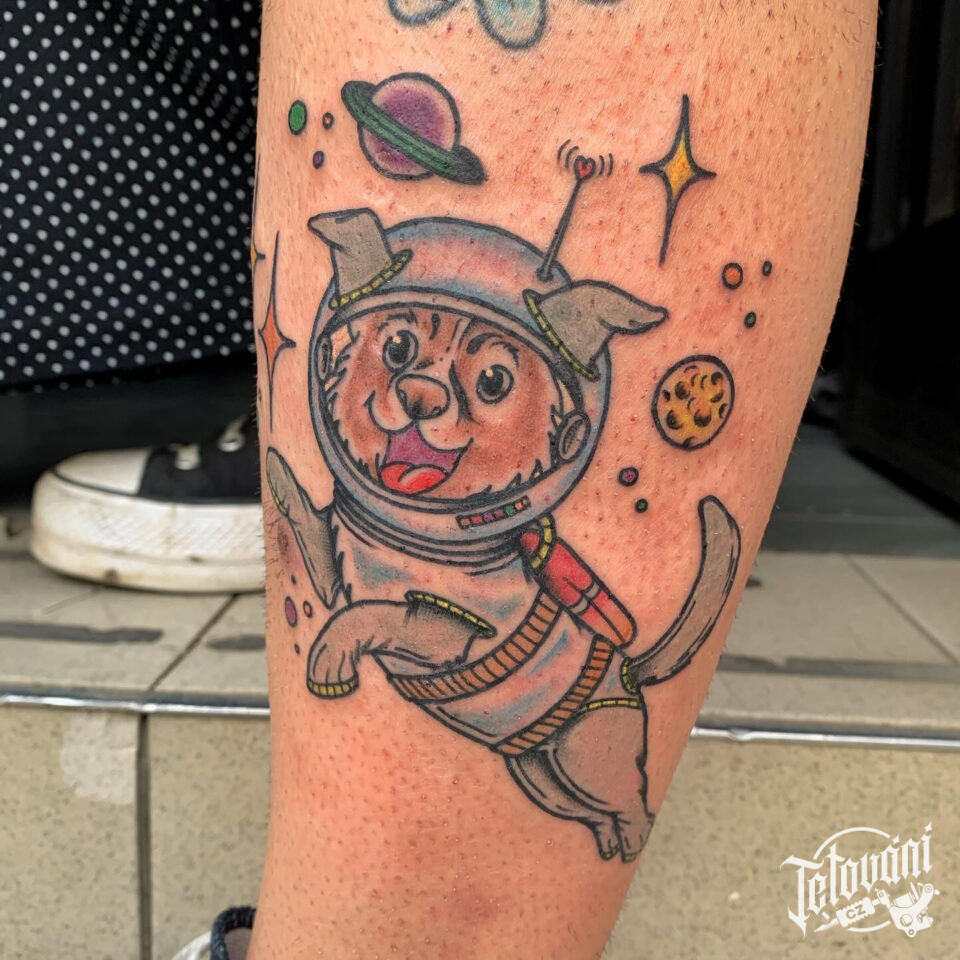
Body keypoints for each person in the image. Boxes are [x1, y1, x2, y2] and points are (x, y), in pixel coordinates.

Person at [41, 1, 880, 957]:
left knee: (584, 783)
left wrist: (355, 628)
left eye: (489, 380)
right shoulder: (383, 495)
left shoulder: (485, 557)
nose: (422, 391)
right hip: (483, 688)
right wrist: (305, 519)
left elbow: (436, 629)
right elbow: (344, 557)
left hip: (571, 697)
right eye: (400, 348)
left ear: (561, 419)